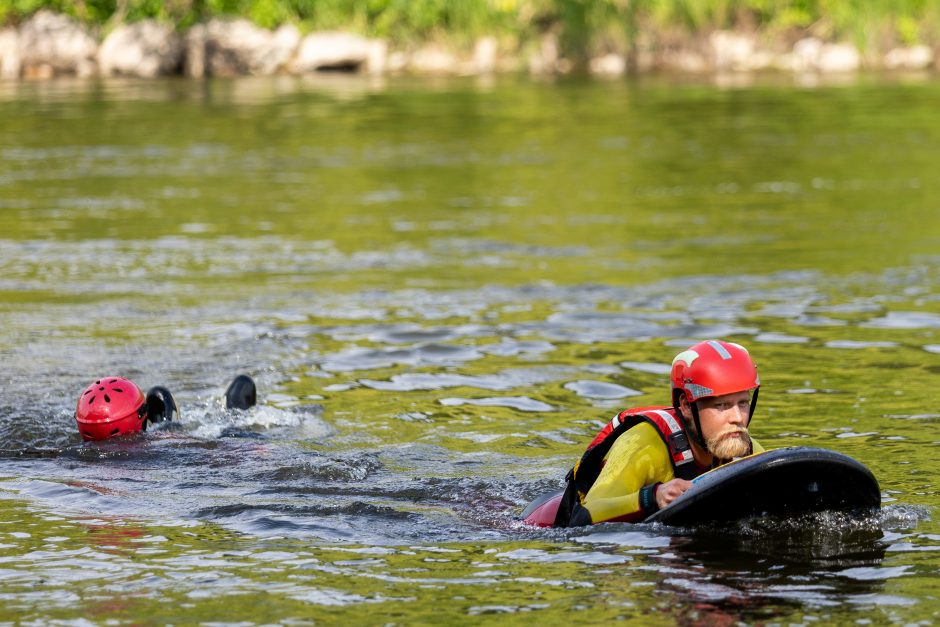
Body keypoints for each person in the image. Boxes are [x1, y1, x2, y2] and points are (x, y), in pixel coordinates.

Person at [553, 339, 763, 527]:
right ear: (686, 405)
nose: (737, 417)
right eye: (722, 405)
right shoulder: (643, 444)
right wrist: (653, 497)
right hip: (544, 520)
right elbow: (582, 516)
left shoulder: (740, 443)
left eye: (742, 403)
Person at [75, 374, 257, 441]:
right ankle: (235, 410)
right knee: (243, 384)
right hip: (168, 439)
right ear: (139, 416)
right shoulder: (163, 446)